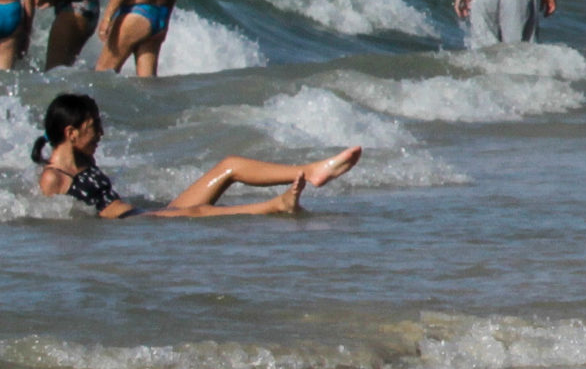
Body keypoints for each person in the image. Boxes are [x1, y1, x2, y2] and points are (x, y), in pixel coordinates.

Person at [31, 92, 360, 218]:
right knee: (197, 212)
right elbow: (60, 225)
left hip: (143, 216)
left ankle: (313, 169)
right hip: (131, 224)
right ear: (71, 133)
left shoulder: (84, 160)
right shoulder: (53, 177)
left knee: (229, 165)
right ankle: (275, 205)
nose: (100, 133)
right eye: (94, 126)